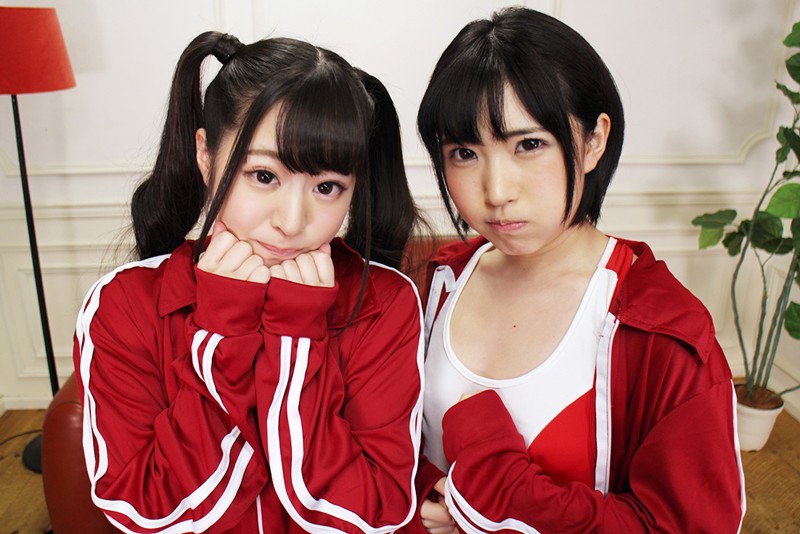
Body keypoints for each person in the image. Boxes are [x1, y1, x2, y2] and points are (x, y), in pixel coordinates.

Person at [73, 31, 426, 533]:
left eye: (327, 187)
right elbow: (147, 510)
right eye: (263, 176)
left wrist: (295, 339)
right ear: (205, 155)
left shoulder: (384, 301)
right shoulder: (123, 304)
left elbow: (372, 512)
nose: (291, 220)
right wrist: (224, 335)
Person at [409, 7, 745, 533]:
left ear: (593, 141)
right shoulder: (437, 283)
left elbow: (687, 526)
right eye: (464, 153)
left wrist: (495, 508)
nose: (497, 191)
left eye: (529, 145)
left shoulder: (661, 331)